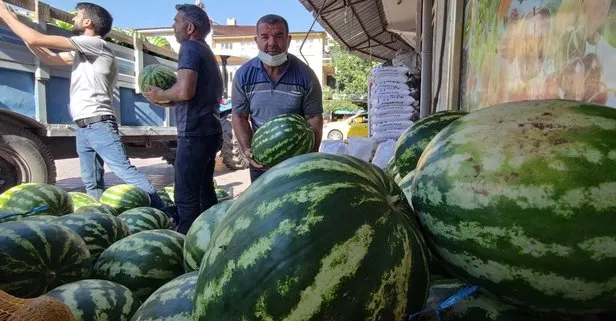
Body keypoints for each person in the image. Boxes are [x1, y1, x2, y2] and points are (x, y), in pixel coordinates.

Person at [0, 1, 167, 209]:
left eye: (77, 15)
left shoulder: (96, 45)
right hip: (84, 126)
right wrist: (23, 33)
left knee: (123, 170)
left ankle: (164, 210)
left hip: (99, 124)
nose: (73, 18)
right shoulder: (84, 52)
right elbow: (48, 57)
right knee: (91, 180)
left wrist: (8, 16)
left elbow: (36, 38)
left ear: (88, 22)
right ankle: (100, 214)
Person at [143, 4, 223, 234]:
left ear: (189, 27)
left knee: (186, 198)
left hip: (195, 133)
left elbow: (185, 91)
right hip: (209, 131)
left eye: (176, 21)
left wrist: (160, 95)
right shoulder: (205, 51)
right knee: (204, 191)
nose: (172, 25)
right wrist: (169, 98)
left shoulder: (189, 48)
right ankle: (211, 236)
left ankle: (185, 245)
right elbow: (191, 94)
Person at [232, 14, 323, 182]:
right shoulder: (243, 75)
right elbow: (239, 116)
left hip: (295, 162)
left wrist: (310, 158)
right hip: (261, 159)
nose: (272, 44)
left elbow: (314, 118)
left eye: (279, 36)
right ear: (256, 40)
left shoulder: (306, 75)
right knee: (261, 205)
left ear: (288, 40)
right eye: (265, 37)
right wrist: (247, 150)